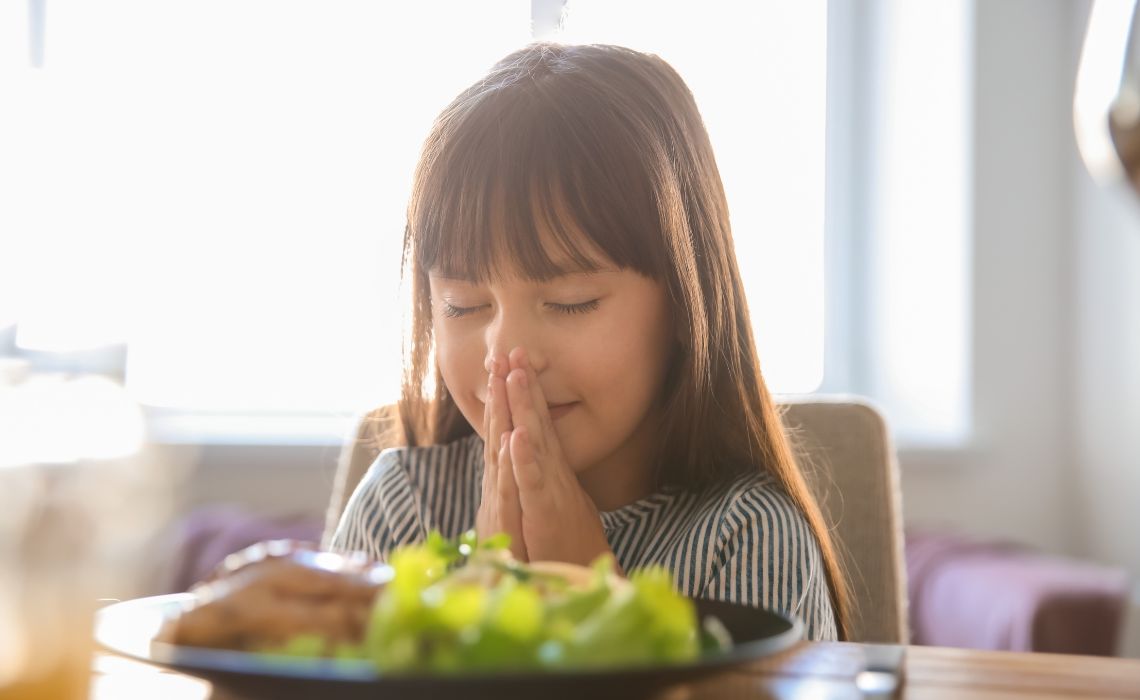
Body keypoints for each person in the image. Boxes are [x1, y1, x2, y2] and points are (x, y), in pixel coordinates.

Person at [330, 42, 850, 641]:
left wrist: (588, 594)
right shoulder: (403, 508)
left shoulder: (745, 536)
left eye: (570, 301)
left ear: (685, 299)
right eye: (464, 305)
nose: (506, 355)